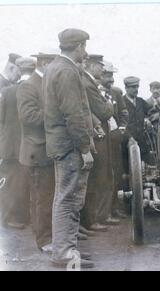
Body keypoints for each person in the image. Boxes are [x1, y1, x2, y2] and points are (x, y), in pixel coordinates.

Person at [43, 28, 95, 268]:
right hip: (70, 146)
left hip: (61, 144)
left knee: (64, 198)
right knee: (69, 200)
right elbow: (73, 114)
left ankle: (66, 249)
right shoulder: (66, 70)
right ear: (79, 46)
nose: (86, 51)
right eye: (84, 46)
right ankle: (64, 253)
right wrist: (85, 148)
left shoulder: (54, 67)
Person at [16, 53, 56, 252]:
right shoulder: (28, 86)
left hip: (46, 151)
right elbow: (28, 117)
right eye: (54, 63)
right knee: (43, 198)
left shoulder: (45, 83)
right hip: (37, 151)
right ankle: (44, 240)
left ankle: (45, 235)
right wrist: (56, 115)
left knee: (45, 197)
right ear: (45, 63)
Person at [81, 54, 116, 232]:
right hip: (97, 136)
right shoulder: (87, 83)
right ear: (89, 65)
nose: (102, 69)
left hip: (100, 134)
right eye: (99, 65)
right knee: (97, 177)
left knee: (102, 175)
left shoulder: (89, 82)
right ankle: (92, 220)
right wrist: (110, 104)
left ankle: (98, 217)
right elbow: (103, 112)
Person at [0, 57, 35, 230]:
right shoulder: (33, 90)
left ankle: (11, 217)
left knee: (10, 183)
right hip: (27, 145)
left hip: (9, 145)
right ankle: (20, 217)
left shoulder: (6, 92)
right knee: (22, 182)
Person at [99, 61, 129, 219]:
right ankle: (103, 213)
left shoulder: (117, 92)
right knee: (103, 175)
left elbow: (124, 112)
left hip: (115, 138)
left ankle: (114, 208)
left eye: (112, 76)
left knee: (117, 174)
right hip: (102, 139)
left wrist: (122, 128)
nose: (110, 79)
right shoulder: (94, 91)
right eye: (107, 75)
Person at [123, 76, 153, 163]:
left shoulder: (140, 101)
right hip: (127, 144)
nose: (136, 89)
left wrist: (148, 119)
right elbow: (119, 123)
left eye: (137, 87)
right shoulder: (121, 102)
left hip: (142, 142)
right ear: (126, 88)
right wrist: (129, 137)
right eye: (133, 87)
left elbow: (151, 112)